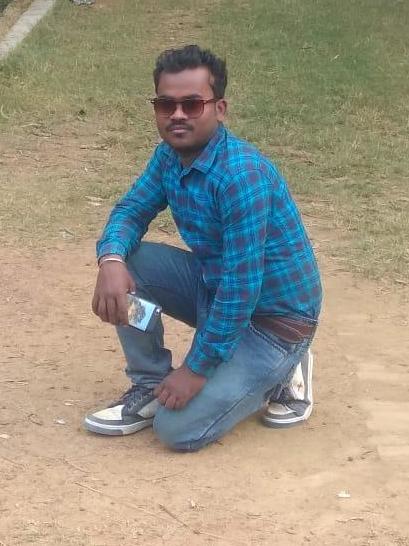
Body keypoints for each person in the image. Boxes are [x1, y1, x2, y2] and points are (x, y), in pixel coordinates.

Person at [84, 45, 322, 450]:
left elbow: (241, 289)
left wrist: (196, 369)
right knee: (131, 265)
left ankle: (285, 368)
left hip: (273, 324)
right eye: (166, 104)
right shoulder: (168, 156)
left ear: (219, 109)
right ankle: (149, 381)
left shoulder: (241, 176)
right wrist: (110, 259)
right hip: (216, 290)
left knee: (177, 429)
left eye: (192, 104)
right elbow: (131, 210)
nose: (177, 115)